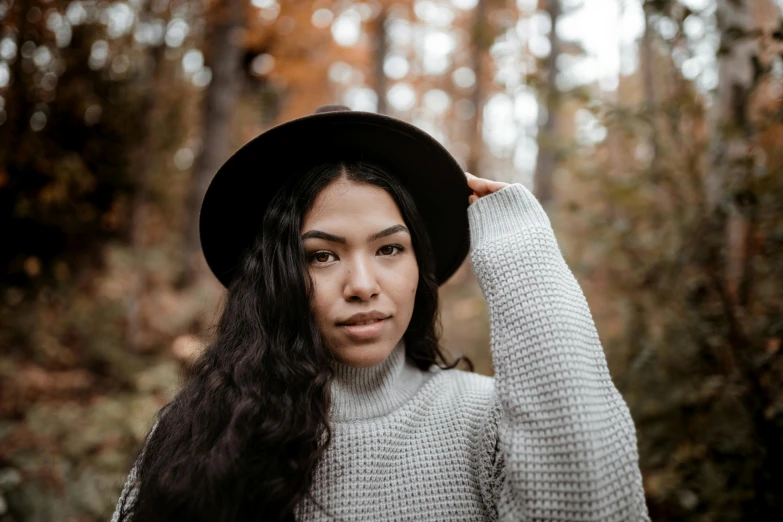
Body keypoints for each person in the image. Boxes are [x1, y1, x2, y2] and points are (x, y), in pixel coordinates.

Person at [111, 106, 650, 521]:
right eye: (322, 255)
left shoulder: (484, 421)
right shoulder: (200, 430)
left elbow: (593, 502)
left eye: (389, 249)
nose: (363, 286)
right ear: (276, 280)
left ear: (420, 264)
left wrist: (518, 247)